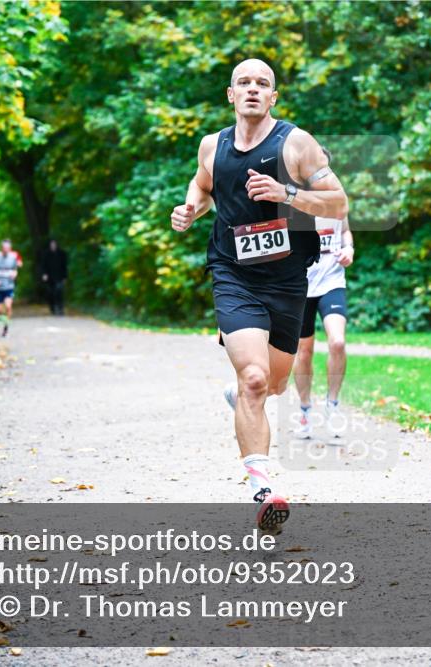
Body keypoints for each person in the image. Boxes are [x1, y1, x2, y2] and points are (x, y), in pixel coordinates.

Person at [170, 58, 348, 532]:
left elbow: (338, 203)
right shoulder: (213, 145)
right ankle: (263, 489)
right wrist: (190, 208)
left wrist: (286, 193)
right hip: (233, 273)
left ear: (273, 96)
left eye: (262, 83)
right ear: (231, 94)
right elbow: (202, 186)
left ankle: (245, 396)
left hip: (288, 280)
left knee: (275, 384)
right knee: (253, 379)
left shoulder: (296, 144)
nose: (253, 89)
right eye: (244, 82)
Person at [292, 196, 353, 439]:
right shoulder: (292, 201)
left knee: (337, 342)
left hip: (332, 282)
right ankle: (305, 410)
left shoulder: (336, 198)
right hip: (301, 286)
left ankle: (333, 405)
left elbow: (345, 231)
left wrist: (348, 248)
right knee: (303, 352)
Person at [41, 238, 68, 315]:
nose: (53, 245)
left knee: (59, 291)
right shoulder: (46, 254)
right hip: (49, 277)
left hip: (59, 276)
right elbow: (43, 265)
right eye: (52, 244)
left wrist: (65, 277)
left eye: (54, 244)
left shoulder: (62, 254)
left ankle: (60, 307)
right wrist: (44, 274)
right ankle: (53, 307)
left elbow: (64, 266)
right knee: (50, 293)